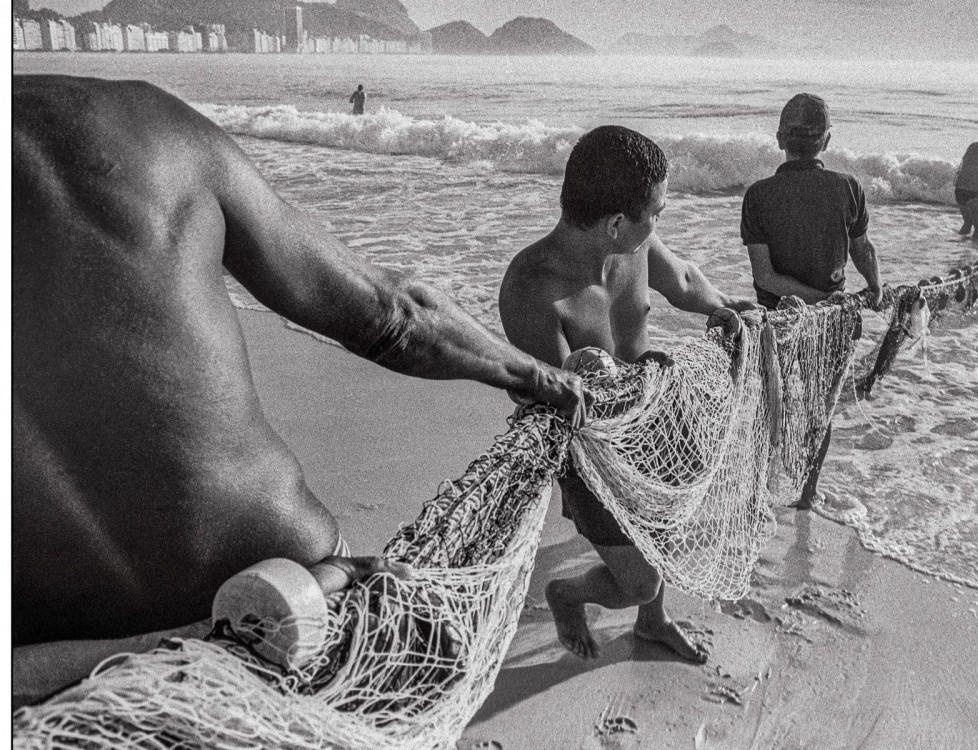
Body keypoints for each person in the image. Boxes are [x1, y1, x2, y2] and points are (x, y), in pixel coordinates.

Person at [13, 75, 587, 654]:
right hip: (282, 593)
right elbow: (392, 316)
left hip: (52, 646)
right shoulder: (140, 123)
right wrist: (532, 376)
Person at [499, 125, 758, 663]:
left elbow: (684, 280)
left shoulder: (634, 245)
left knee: (666, 530)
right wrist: (629, 385)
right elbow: (558, 403)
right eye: (656, 213)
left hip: (651, 424)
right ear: (617, 222)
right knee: (637, 580)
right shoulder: (532, 291)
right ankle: (568, 594)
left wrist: (723, 305)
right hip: (592, 457)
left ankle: (652, 622)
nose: (657, 223)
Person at [739, 93, 883, 509]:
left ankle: (755, 491)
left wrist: (810, 301)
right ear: (828, 141)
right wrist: (872, 288)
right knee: (822, 407)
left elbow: (765, 276)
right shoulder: (848, 187)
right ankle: (807, 493)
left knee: (772, 402)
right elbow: (862, 249)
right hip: (832, 322)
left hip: (776, 323)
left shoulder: (759, 195)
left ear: (779, 137)